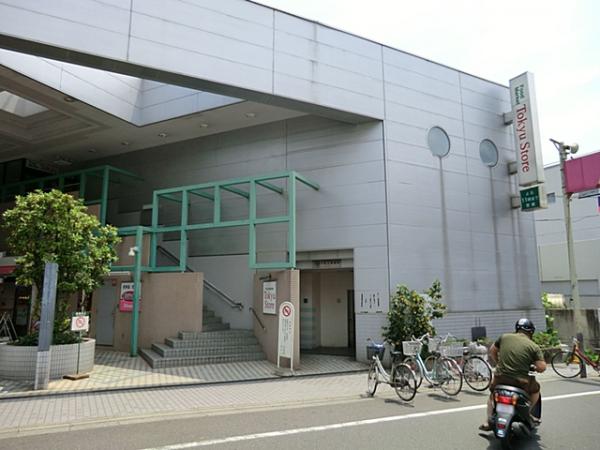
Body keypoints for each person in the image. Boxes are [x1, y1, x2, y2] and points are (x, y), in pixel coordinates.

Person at [479, 318, 546, 431]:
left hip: (500, 378)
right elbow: (542, 367)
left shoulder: (504, 337)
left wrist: (498, 363)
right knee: (536, 390)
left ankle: (487, 421)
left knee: (492, 395)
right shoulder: (533, 346)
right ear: (531, 332)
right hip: (520, 382)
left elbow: (492, 351)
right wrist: (534, 367)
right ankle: (528, 413)